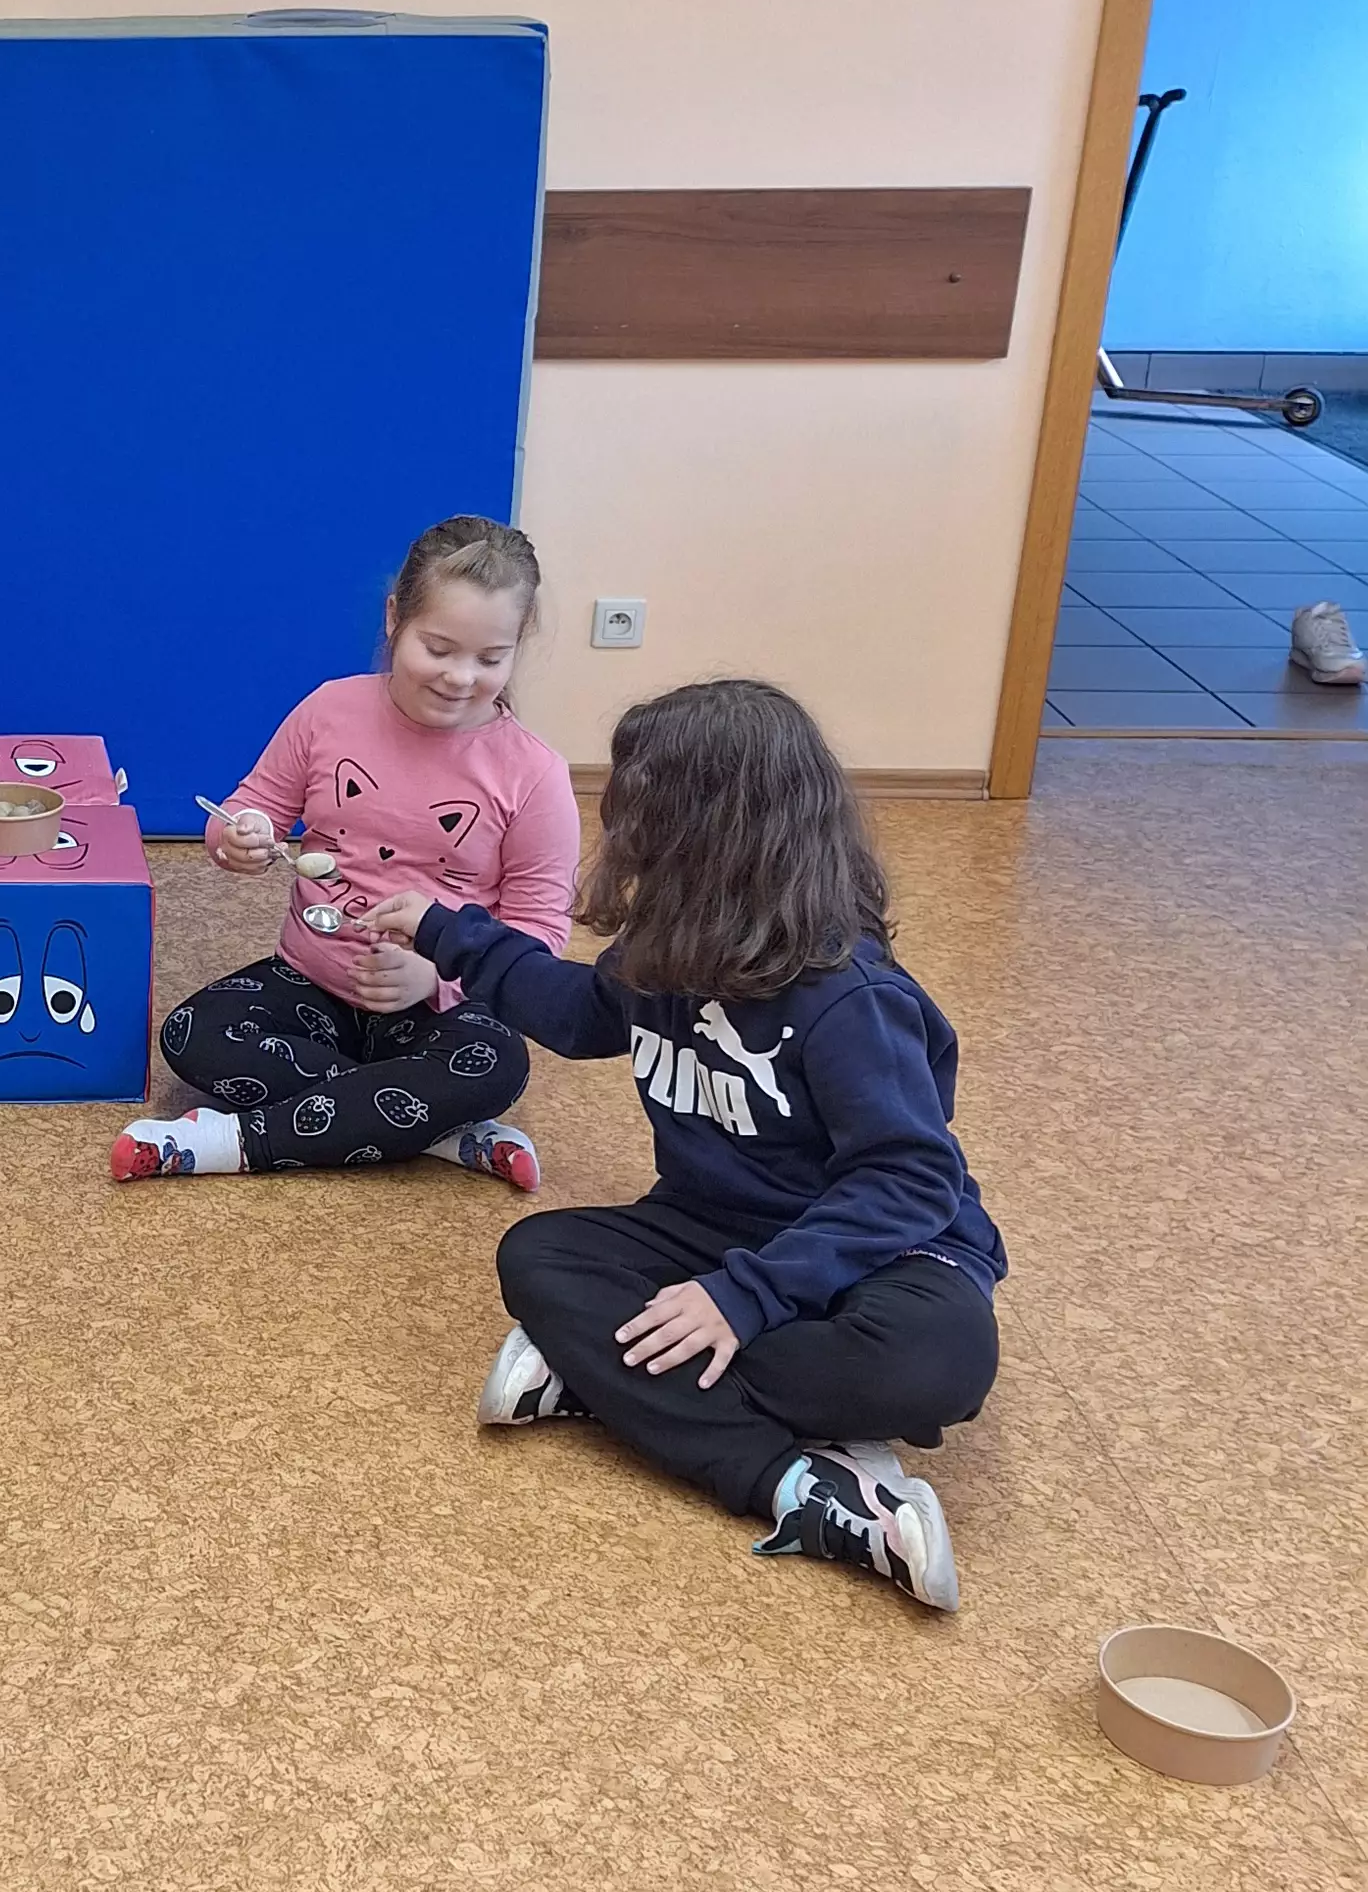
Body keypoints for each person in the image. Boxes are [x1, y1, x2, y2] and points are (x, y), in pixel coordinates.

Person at [363, 678, 1006, 1611]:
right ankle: (798, 1483)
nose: (619, 836)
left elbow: (909, 1180)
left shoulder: (849, 999)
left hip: (881, 1250)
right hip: (709, 1226)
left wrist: (745, 1298)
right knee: (538, 1255)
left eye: (638, 815)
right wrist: (445, 932)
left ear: (708, 837)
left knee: (934, 1362)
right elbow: (576, 1013)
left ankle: (610, 1381)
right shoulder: (666, 952)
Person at [111, 516, 578, 1188]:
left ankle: (230, 1142)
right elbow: (251, 808)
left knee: (498, 1064)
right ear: (394, 618)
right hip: (313, 982)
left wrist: (437, 978)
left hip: (438, 1011)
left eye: (489, 659)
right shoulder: (329, 710)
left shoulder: (534, 774)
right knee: (192, 1033)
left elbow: (538, 932)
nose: (459, 677)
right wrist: (238, 836)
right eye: (438, 648)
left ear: (519, 643)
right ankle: (428, 1127)